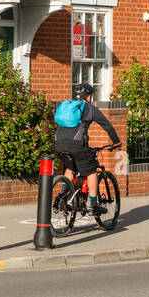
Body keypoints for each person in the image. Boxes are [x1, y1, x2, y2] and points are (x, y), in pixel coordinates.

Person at [54, 82, 120, 215]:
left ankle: (62, 197)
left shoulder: (67, 107)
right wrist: (116, 142)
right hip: (76, 145)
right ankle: (93, 205)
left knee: (70, 168)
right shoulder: (89, 108)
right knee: (91, 171)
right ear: (89, 97)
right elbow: (107, 125)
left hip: (58, 143)